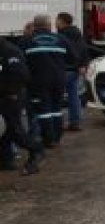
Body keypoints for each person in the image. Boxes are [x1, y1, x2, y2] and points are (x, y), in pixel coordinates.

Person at [20, 14, 70, 148]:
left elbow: (21, 62)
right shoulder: (61, 39)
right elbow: (73, 58)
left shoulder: (27, 41)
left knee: (44, 110)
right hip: (59, 80)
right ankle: (57, 137)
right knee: (56, 108)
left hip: (38, 81)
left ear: (35, 26)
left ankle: (48, 139)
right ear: (49, 25)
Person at [0, 36, 42, 174]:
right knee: (4, 131)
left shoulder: (9, 51)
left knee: (14, 130)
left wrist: (11, 91)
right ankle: (6, 160)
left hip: (11, 96)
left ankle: (36, 150)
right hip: (5, 95)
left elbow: (21, 74)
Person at [56, 11, 89, 132]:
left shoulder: (63, 35)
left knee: (56, 96)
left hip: (65, 68)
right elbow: (84, 50)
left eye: (57, 20)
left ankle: (56, 122)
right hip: (75, 69)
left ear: (62, 21)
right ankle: (75, 121)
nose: (56, 22)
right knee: (73, 95)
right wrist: (83, 65)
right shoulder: (76, 34)